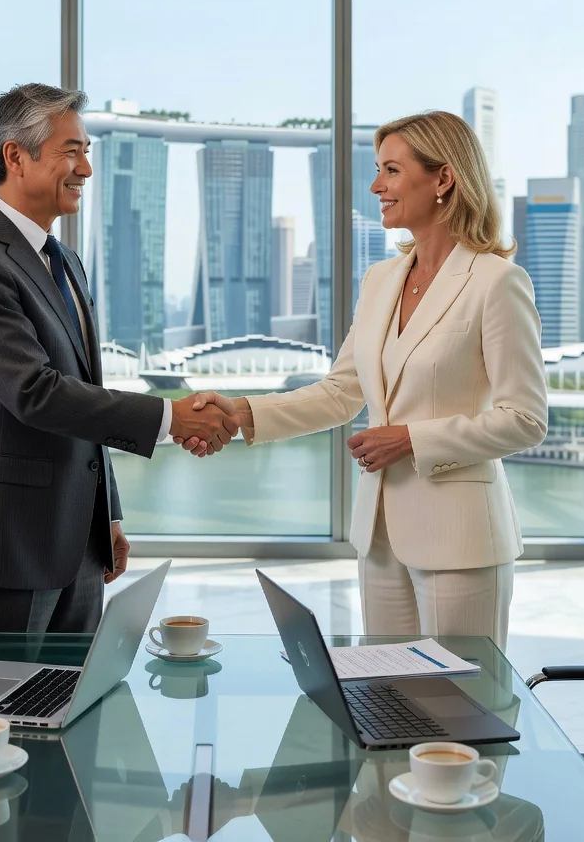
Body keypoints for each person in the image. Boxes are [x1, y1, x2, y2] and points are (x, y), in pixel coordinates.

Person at [180, 111, 547, 647]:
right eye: (378, 170)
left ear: (443, 179)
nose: (376, 186)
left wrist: (413, 439)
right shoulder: (381, 280)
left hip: (460, 538)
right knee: (390, 700)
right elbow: (340, 392)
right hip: (378, 535)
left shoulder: (496, 283)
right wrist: (240, 412)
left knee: (460, 709)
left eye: (391, 171)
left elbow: (525, 419)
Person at [0, 84, 236, 641]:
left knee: (70, 707)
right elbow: (35, 393)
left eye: (86, 151)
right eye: (72, 151)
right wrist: (171, 418)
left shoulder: (64, 259)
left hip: (78, 545)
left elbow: (83, 390)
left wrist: (107, 514)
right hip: (6, 546)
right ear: (15, 156)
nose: (86, 170)